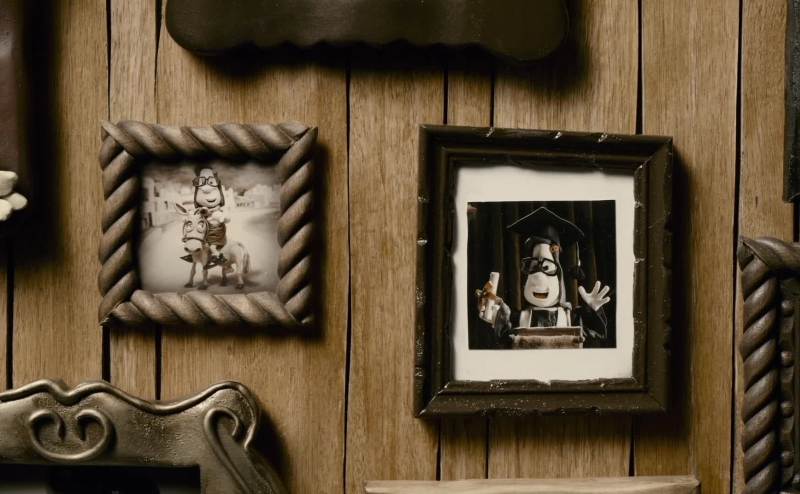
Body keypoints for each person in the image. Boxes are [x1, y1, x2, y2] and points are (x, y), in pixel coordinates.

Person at [477, 207, 611, 348]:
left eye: (547, 268)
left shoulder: (570, 317)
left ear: (559, 277)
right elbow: (504, 336)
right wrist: (495, 316)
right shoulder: (517, 318)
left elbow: (597, 333)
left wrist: (593, 311)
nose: (539, 277)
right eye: (533, 267)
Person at [191, 167, 229, 265]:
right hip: (205, 237)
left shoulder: (217, 213)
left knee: (212, 248)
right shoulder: (201, 210)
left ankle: (222, 262)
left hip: (216, 237)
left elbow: (225, 219)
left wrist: (223, 218)